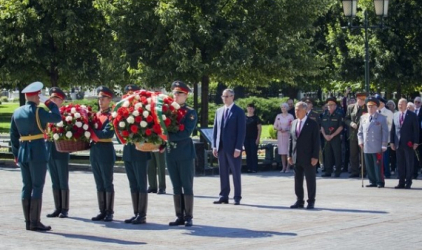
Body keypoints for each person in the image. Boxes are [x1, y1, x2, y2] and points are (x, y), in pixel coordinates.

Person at [10, 81, 61, 231]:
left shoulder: (17, 112)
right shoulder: (38, 111)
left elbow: (13, 136)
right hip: (37, 151)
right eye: (39, 95)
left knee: (27, 186)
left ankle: (28, 221)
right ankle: (35, 222)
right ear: (35, 96)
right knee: (37, 186)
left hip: (23, 152)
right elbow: (57, 117)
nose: (40, 98)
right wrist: (50, 103)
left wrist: (16, 154)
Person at [166, 80, 197, 227]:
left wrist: (166, 137)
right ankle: (179, 215)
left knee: (187, 185)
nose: (176, 95)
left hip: (184, 152)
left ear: (186, 95)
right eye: (174, 93)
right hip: (171, 152)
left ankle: (188, 216)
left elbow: (185, 132)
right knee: (176, 185)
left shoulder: (190, 112)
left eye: (179, 93)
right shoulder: (167, 111)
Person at [121, 84, 151, 224]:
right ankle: (136, 212)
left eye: (132, 93)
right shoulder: (123, 111)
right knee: (133, 184)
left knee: (141, 183)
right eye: (127, 94)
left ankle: (142, 214)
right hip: (128, 151)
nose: (129, 96)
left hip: (140, 151)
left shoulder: (145, 110)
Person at [213, 89, 246, 205]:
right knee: (223, 173)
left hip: (233, 148)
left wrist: (238, 148)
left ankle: (237, 196)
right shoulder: (219, 111)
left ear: (233, 97)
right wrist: (214, 146)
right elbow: (215, 130)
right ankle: (224, 195)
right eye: (223, 96)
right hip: (221, 147)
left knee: (236, 173)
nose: (224, 98)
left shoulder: (239, 111)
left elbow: (241, 131)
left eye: (227, 96)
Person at [90, 86, 116, 222]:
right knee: (99, 183)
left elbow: (107, 133)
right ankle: (102, 210)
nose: (100, 100)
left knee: (107, 182)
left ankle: (109, 212)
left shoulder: (111, 116)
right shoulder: (95, 115)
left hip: (105, 150)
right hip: (95, 151)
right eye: (99, 98)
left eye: (103, 98)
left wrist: (91, 132)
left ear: (109, 100)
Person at [288, 102, 320, 209]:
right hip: (296, 156)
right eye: (295, 110)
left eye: (299, 110)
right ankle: (299, 201)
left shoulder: (312, 123)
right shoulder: (294, 123)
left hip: (309, 157)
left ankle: (311, 201)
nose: (296, 112)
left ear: (305, 110)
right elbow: (291, 140)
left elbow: (316, 141)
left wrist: (315, 156)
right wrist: (289, 155)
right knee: (297, 180)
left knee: (310, 180)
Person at [45, 87, 71, 219]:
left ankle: (64, 208)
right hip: (49, 149)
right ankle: (57, 207)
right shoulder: (48, 114)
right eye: (51, 98)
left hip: (61, 150)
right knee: (54, 180)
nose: (53, 100)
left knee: (62, 179)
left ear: (62, 100)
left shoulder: (65, 115)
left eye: (56, 98)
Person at [358, 98, 389, 188]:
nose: (370, 109)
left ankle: (380, 181)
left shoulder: (381, 118)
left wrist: (384, 144)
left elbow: (385, 132)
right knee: (369, 165)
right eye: (368, 107)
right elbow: (360, 131)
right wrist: (360, 141)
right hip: (367, 146)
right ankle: (372, 181)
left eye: (372, 107)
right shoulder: (363, 117)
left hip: (377, 146)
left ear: (376, 107)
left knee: (378, 165)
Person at [390, 98, 419, 189]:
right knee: (400, 163)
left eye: (401, 104)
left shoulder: (412, 115)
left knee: (409, 163)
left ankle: (408, 182)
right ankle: (401, 182)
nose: (399, 106)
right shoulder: (395, 115)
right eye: (398, 104)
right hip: (398, 143)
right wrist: (391, 142)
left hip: (408, 143)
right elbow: (393, 130)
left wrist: (416, 142)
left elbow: (416, 130)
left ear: (406, 105)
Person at [344, 92, 368, 178]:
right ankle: (354, 171)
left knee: (363, 154)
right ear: (357, 99)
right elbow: (346, 119)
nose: (362, 101)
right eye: (360, 99)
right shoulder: (351, 107)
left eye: (363, 99)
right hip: (353, 134)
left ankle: (364, 171)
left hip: (363, 134)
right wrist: (351, 123)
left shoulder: (367, 108)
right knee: (353, 153)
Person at [320, 97, 344, 177]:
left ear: (335, 106)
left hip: (335, 137)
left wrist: (332, 135)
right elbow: (322, 126)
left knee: (337, 154)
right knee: (327, 154)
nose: (329, 106)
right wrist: (324, 135)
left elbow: (340, 127)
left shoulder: (338, 115)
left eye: (331, 105)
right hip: (326, 138)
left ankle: (337, 171)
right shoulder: (324, 114)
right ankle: (328, 171)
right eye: (328, 105)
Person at [374, 94, 393, 180]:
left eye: (378, 102)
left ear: (382, 103)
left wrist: (382, 129)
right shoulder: (375, 112)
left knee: (385, 157)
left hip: (385, 138)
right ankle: (377, 173)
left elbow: (391, 125)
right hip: (375, 138)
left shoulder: (388, 113)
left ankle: (387, 173)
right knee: (376, 157)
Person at [273, 103, 294, 173]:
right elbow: (274, 126)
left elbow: (293, 126)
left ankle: (288, 167)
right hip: (280, 135)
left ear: (287, 108)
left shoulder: (290, 116)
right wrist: (279, 128)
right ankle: (283, 167)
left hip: (288, 135)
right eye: (282, 107)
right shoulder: (278, 116)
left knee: (288, 151)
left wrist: (287, 129)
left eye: (284, 107)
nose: (283, 108)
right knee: (282, 152)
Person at [244, 103, 262, 173]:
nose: (250, 109)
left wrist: (258, 138)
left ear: (254, 109)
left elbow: (259, 129)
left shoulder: (256, 118)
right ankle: (249, 168)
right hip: (246, 138)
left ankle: (254, 168)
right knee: (248, 153)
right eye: (249, 108)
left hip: (254, 138)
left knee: (253, 153)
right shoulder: (244, 117)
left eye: (251, 108)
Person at [413, 96, 422, 179]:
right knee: (414, 156)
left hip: (421, 137)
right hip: (412, 137)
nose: (417, 103)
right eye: (415, 102)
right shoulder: (411, 111)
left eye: (418, 102)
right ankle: (414, 173)